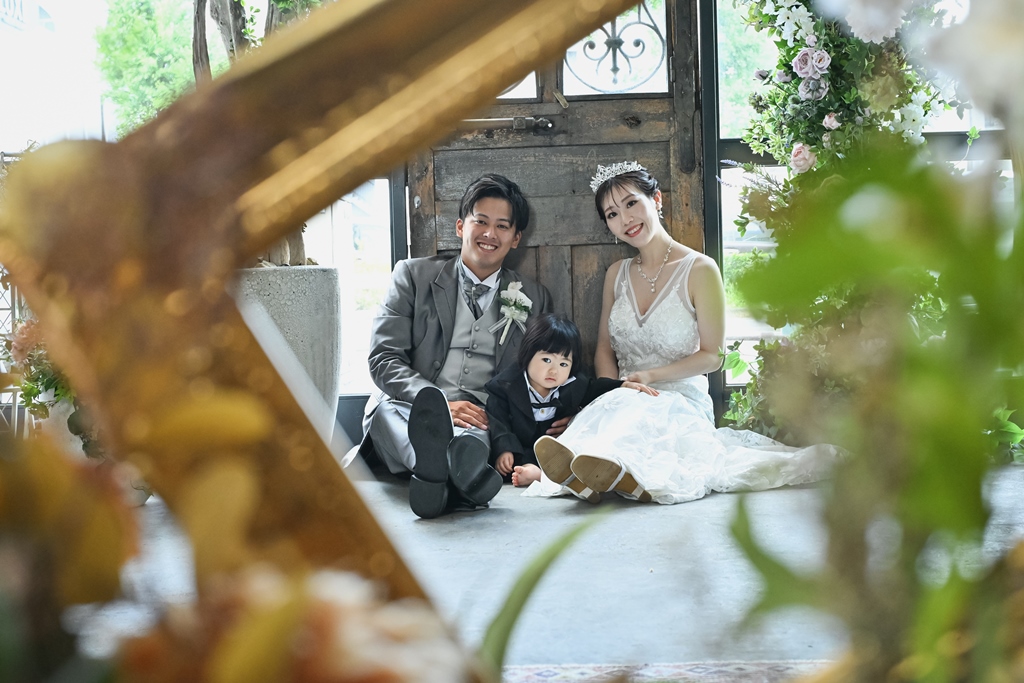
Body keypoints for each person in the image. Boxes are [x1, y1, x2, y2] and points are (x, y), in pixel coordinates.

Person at [525, 162, 841, 504]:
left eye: (631, 203)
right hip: (624, 393)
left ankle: (615, 474)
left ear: (656, 199)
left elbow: (713, 356)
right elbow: (604, 348)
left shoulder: (701, 269)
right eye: (612, 214)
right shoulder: (616, 274)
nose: (626, 219)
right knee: (621, 415)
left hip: (678, 397)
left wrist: (650, 376)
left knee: (642, 422)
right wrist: (613, 391)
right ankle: (593, 474)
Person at [359, 173, 557, 518]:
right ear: (461, 226)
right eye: (481, 221)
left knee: (474, 439)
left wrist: (565, 406)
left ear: (515, 238)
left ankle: (438, 474)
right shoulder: (412, 276)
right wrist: (435, 401)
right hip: (410, 405)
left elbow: (545, 370)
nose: (490, 234)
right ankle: (456, 474)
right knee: (385, 413)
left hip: (479, 417)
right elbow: (383, 358)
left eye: (502, 226)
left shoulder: (534, 297)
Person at [484, 313, 657, 495]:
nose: (554, 370)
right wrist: (505, 449)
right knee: (516, 462)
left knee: (578, 446)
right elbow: (499, 422)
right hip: (522, 448)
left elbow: (595, 388)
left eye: (564, 364)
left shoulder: (574, 385)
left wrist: (622, 385)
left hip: (560, 449)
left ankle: (585, 474)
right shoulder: (504, 386)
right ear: (527, 354)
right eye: (547, 360)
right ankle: (535, 473)